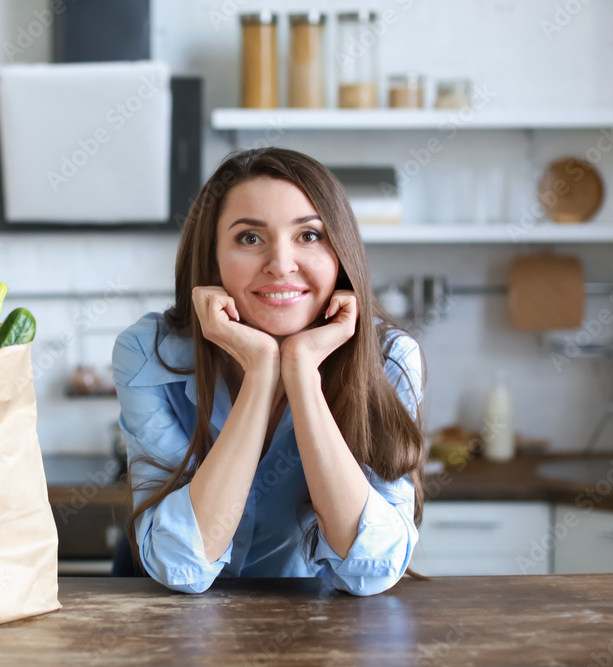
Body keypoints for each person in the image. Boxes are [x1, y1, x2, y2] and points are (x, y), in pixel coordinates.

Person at [112, 147, 426, 595]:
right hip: (172, 626)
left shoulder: (390, 359)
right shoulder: (148, 353)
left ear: (340, 255)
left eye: (310, 236)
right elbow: (181, 565)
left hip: (316, 628)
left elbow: (370, 570)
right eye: (250, 238)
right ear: (212, 257)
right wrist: (261, 372)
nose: (281, 264)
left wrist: (300, 371)